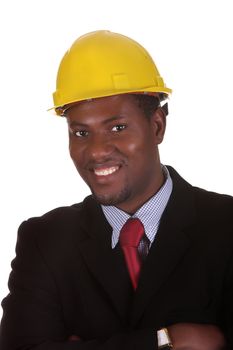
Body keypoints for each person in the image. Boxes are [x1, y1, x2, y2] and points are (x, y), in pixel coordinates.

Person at [0, 30, 232, 350]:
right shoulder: (44, 240)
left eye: (117, 128)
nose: (96, 151)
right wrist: (164, 341)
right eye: (81, 132)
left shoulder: (226, 226)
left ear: (157, 126)